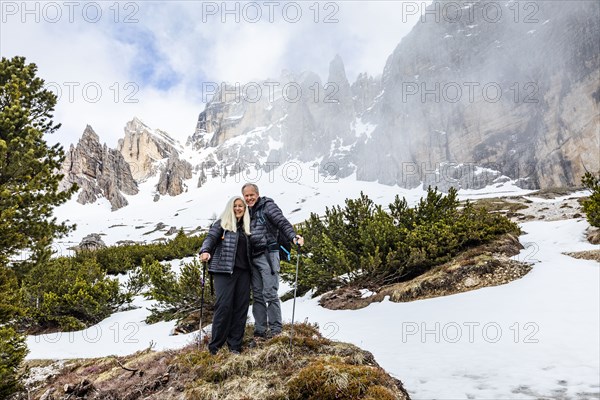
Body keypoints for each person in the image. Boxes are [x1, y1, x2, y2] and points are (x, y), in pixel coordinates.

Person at [241, 183, 304, 343]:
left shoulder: (268, 206)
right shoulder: (246, 211)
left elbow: (282, 223)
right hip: (253, 258)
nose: (249, 198)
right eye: (246, 196)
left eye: (251, 195)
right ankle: (260, 330)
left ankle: (276, 330)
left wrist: (294, 237)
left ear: (257, 194)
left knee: (270, 292)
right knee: (257, 295)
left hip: (269, 254)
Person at [199, 196, 252, 355]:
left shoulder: (248, 227)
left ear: (245, 208)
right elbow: (210, 238)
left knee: (241, 308)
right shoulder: (222, 223)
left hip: (244, 272)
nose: (238, 208)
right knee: (224, 306)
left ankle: (235, 345)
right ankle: (215, 346)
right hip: (223, 271)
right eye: (235, 206)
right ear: (230, 207)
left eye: (241, 206)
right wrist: (205, 251)